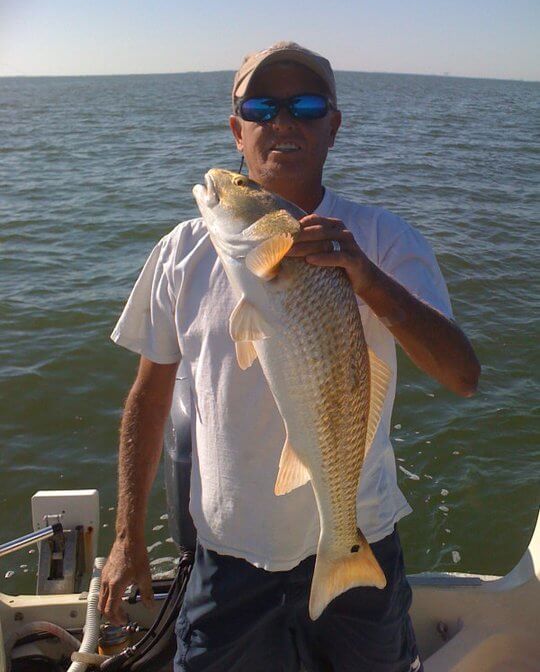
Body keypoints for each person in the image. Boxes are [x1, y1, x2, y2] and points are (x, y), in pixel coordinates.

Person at [98, 41, 480, 672]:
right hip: (227, 557)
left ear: (333, 124)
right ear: (236, 129)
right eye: (261, 106)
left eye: (306, 106)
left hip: (359, 536)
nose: (283, 121)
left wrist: (369, 280)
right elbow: (149, 396)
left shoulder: (385, 239)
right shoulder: (182, 252)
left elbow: (462, 377)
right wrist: (125, 538)